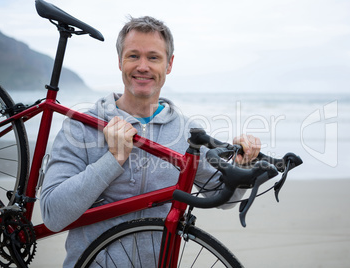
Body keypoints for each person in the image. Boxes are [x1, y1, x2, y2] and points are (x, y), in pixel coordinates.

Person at [40, 16, 261, 267]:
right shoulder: (81, 126)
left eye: (153, 57)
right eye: (133, 56)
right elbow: (53, 215)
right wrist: (113, 160)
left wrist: (241, 168)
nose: (142, 66)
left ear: (169, 64)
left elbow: (225, 199)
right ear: (120, 61)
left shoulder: (186, 132)